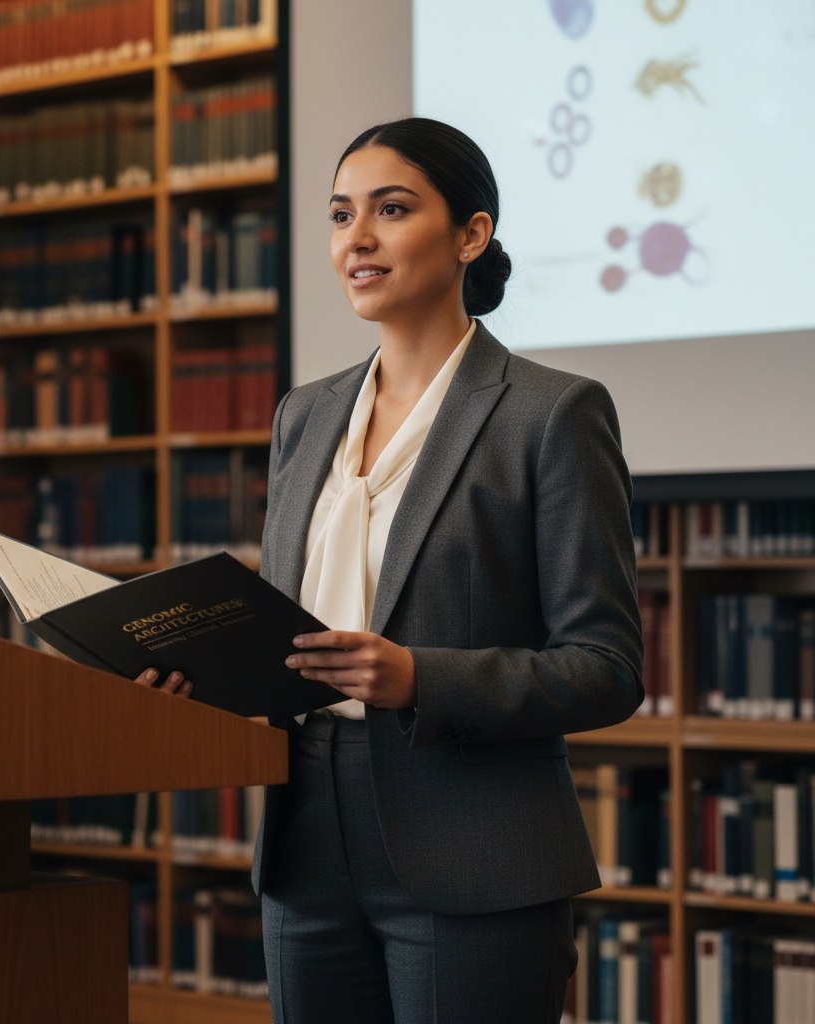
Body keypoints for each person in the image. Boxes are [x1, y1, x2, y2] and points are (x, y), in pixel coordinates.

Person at [249, 117, 644, 1023]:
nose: (358, 238)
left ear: (472, 235)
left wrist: (419, 676)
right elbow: (286, 630)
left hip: (476, 852)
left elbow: (607, 669)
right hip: (304, 838)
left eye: (392, 210)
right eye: (343, 213)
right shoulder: (302, 416)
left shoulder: (552, 414)